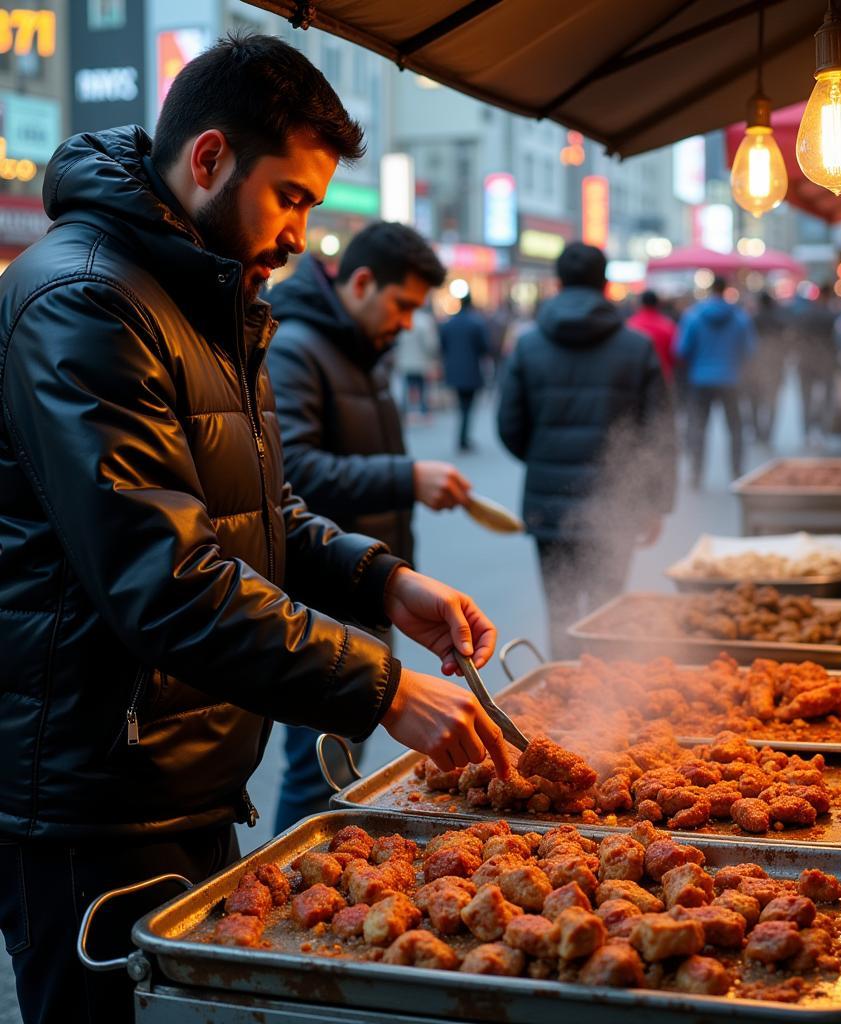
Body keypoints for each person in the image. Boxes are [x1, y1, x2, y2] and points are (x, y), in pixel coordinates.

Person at [0, 34, 508, 1024]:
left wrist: (383, 583)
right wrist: (381, 688)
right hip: (89, 795)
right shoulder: (85, 300)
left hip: (183, 770)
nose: (303, 234)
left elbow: (259, 512)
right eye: (293, 197)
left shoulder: (211, 292)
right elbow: (168, 576)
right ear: (209, 159)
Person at [266, 225, 474, 831]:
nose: (409, 323)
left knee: (339, 758)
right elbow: (292, 473)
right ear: (361, 283)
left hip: (363, 580)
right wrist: (406, 477)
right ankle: (295, 869)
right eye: (403, 304)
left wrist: (389, 579)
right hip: (320, 597)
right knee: (318, 763)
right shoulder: (296, 348)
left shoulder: (362, 349)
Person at [497, 242, 677, 659]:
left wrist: (545, 457)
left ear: (557, 284)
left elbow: (509, 426)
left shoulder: (528, 346)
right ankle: (603, 710)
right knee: (606, 615)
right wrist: (656, 503)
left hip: (549, 506)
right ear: (607, 285)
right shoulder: (637, 347)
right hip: (616, 503)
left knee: (560, 613)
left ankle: (560, 708)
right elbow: (659, 434)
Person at [675, 276, 756, 487]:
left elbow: (681, 350)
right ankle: (737, 472)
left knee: (699, 428)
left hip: (700, 380)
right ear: (726, 289)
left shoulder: (692, 316)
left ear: (710, 290)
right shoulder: (740, 318)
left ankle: (696, 473)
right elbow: (750, 350)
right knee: (736, 428)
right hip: (731, 379)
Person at [440, 292, 491, 451]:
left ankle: (462, 437)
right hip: (471, 370)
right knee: (468, 407)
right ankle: (463, 438)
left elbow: (442, 346)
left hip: (454, 370)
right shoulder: (476, 323)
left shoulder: (449, 323)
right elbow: (484, 347)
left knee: (462, 406)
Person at [742, 291, 788, 444]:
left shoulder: (752, 320)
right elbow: (785, 345)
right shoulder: (780, 321)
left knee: (754, 401)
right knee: (773, 402)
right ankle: (768, 432)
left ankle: (757, 431)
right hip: (775, 367)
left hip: (755, 366)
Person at [795, 285, 839, 439]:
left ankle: (807, 432)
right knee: (827, 398)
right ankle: (823, 431)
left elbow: (796, 338)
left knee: (806, 398)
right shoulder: (832, 316)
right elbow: (838, 341)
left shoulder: (805, 314)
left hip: (805, 361)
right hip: (826, 362)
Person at [395, 304, 441, 418]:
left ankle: (404, 410)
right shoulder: (425, 321)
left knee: (406, 386)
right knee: (423, 387)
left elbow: (396, 342)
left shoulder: (402, 319)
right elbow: (430, 344)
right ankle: (423, 410)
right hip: (421, 361)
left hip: (404, 361)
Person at [627, 288, 677, 387]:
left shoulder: (630, 324)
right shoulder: (668, 325)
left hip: (634, 379)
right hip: (663, 378)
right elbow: (675, 353)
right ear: (657, 304)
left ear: (640, 304)